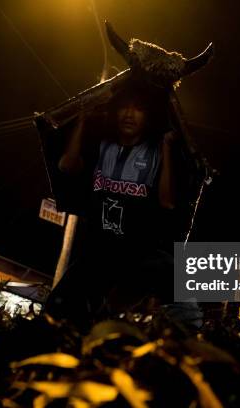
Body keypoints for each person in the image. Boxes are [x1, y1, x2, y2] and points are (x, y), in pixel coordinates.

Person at [44, 82, 182, 327]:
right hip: (97, 251)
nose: (129, 114)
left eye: (138, 109)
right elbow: (67, 165)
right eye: (124, 108)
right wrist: (82, 122)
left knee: (166, 280)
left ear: (148, 117)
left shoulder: (155, 152)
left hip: (136, 255)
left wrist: (168, 148)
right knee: (55, 310)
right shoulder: (102, 146)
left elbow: (168, 202)